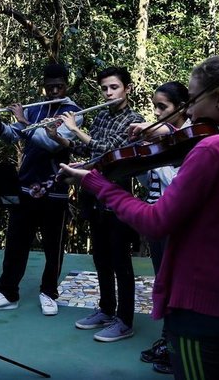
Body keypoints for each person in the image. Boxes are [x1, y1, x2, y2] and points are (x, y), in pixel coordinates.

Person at [59, 55, 219, 379]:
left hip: (197, 302)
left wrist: (95, 182)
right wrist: (162, 140)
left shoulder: (213, 150)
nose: (187, 111)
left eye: (192, 99)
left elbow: (155, 221)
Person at [0, 63, 82, 316]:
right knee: (16, 242)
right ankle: (7, 292)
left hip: (54, 187)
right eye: (50, 87)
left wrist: (23, 121)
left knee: (53, 246)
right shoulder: (36, 108)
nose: (55, 91)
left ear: (66, 85)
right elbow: (15, 135)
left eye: (59, 86)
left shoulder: (75, 113)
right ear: (43, 86)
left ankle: (49, 293)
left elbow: (50, 144)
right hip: (25, 186)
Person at [57, 66, 145, 342]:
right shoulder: (102, 116)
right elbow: (88, 152)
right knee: (101, 259)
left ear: (127, 89)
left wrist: (75, 130)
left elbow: (109, 151)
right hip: (93, 196)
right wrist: (60, 137)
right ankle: (107, 309)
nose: (108, 93)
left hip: (118, 199)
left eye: (114, 88)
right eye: (105, 89)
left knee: (121, 262)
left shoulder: (135, 119)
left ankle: (125, 321)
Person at [129, 81, 189, 374]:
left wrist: (159, 154)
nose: (156, 113)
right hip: (155, 217)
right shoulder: (162, 139)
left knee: (177, 285)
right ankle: (168, 339)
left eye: (162, 107)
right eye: (155, 106)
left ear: (183, 107)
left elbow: (177, 184)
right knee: (162, 282)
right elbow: (150, 184)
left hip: (175, 222)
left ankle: (177, 346)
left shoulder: (188, 139)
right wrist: (144, 159)